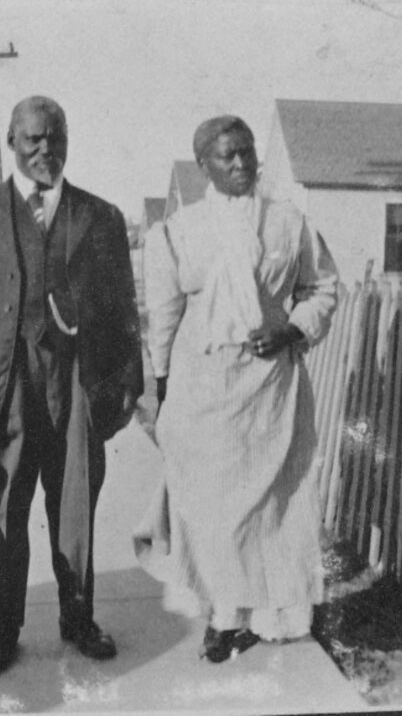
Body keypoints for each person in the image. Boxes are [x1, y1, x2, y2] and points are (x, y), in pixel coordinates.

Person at [0, 95, 143, 674]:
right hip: (4, 382)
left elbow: (125, 308)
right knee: (2, 505)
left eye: (55, 137)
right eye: (33, 139)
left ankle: (77, 620)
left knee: (74, 504)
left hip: (75, 380)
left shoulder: (100, 217)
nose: (45, 148)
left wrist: (129, 381)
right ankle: (1, 631)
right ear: (11, 143)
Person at [137, 115, 338, 662]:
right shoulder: (179, 232)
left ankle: (269, 614)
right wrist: (163, 387)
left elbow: (321, 288)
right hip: (203, 386)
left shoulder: (288, 223)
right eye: (229, 156)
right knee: (212, 508)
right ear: (203, 166)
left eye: (249, 153)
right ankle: (222, 615)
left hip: (271, 386)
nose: (243, 164)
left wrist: (292, 326)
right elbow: (164, 315)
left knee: (269, 506)